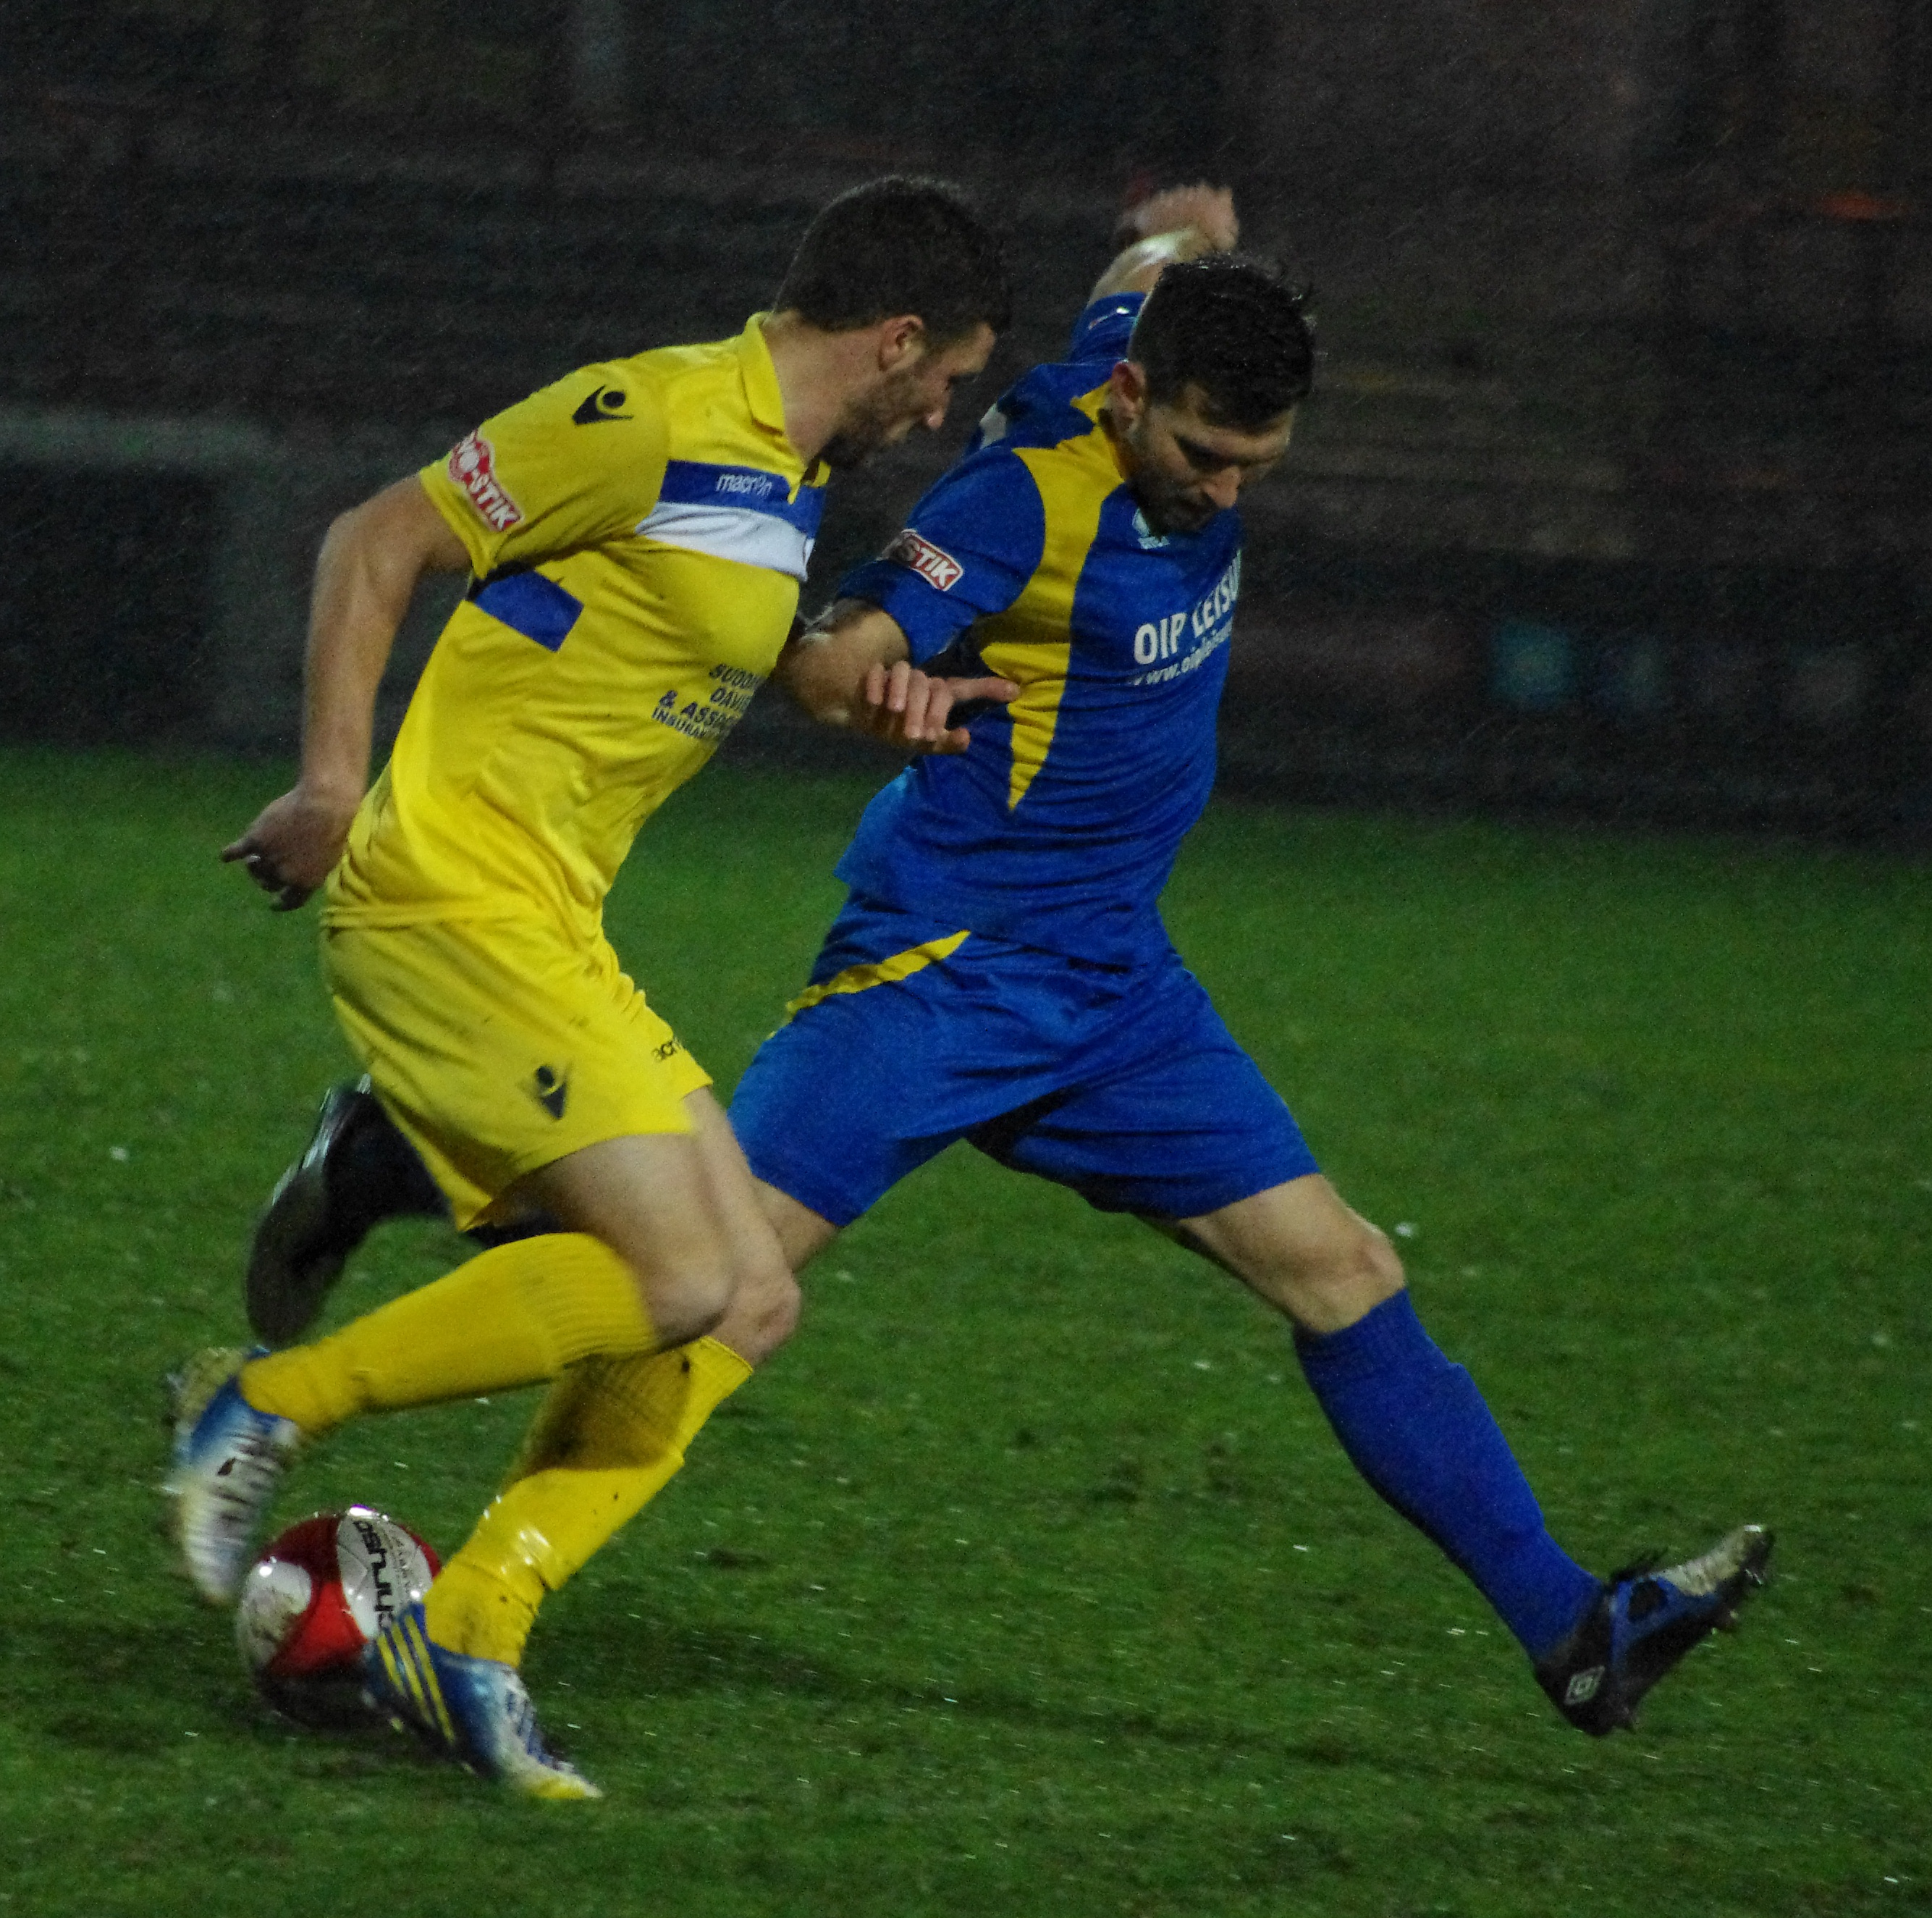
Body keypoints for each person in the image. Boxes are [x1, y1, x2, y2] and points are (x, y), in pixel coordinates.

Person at [242, 185, 1771, 1764]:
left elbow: (1145, 273)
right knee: (705, 1283)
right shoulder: (1016, 500)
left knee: (1343, 1272)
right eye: (1198, 456)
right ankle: (470, 1578)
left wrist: (1182, 231)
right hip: (942, 972)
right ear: (1127, 401)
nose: (1219, 489)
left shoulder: (1147, 345)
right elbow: (832, 646)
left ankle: (1575, 1632)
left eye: (1254, 466)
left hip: (1115, 986)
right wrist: (872, 681)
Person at [166, 174, 1014, 1801]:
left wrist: (871, 699)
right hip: (444, 894)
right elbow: (376, 538)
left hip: (554, 925)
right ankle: (258, 1398)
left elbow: (721, 647)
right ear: (900, 340)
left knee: (751, 1292)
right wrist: (333, 785)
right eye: (949, 376)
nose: (942, 408)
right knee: (685, 1273)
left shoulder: (780, 478)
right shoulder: (648, 410)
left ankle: (472, 1628)